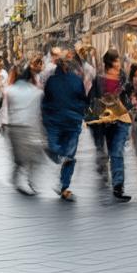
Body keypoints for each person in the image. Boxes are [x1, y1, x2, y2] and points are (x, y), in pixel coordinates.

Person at [42, 56, 88, 202]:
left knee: (55, 148)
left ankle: (60, 168)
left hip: (55, 121)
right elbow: (83, 100)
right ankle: (63, 186)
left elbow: (46, 100)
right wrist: (81, 114)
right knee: (70, 155)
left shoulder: (51, 81)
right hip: (73, 121)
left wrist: (45, 117)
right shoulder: (77, 80)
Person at [90, 50, 132, 202]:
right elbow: (93, 98)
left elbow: (130, 93)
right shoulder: (99, 79)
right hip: (106, 120)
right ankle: (106, 172)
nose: (119, 63)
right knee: (108, 151)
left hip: (121, 118)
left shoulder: (123, 78)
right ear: (111, 62)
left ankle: (118, 186)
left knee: (117, 151)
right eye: (117, 60)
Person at [3, 62, 46, 195]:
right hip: (31, 127)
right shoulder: (37, 92)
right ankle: (28, 180)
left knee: (20, 158)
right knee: (34, 156)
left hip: (14, 127)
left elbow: (4, 111)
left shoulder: (8, 90)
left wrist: (3, 125)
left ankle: (17, 178)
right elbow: (40, 112)